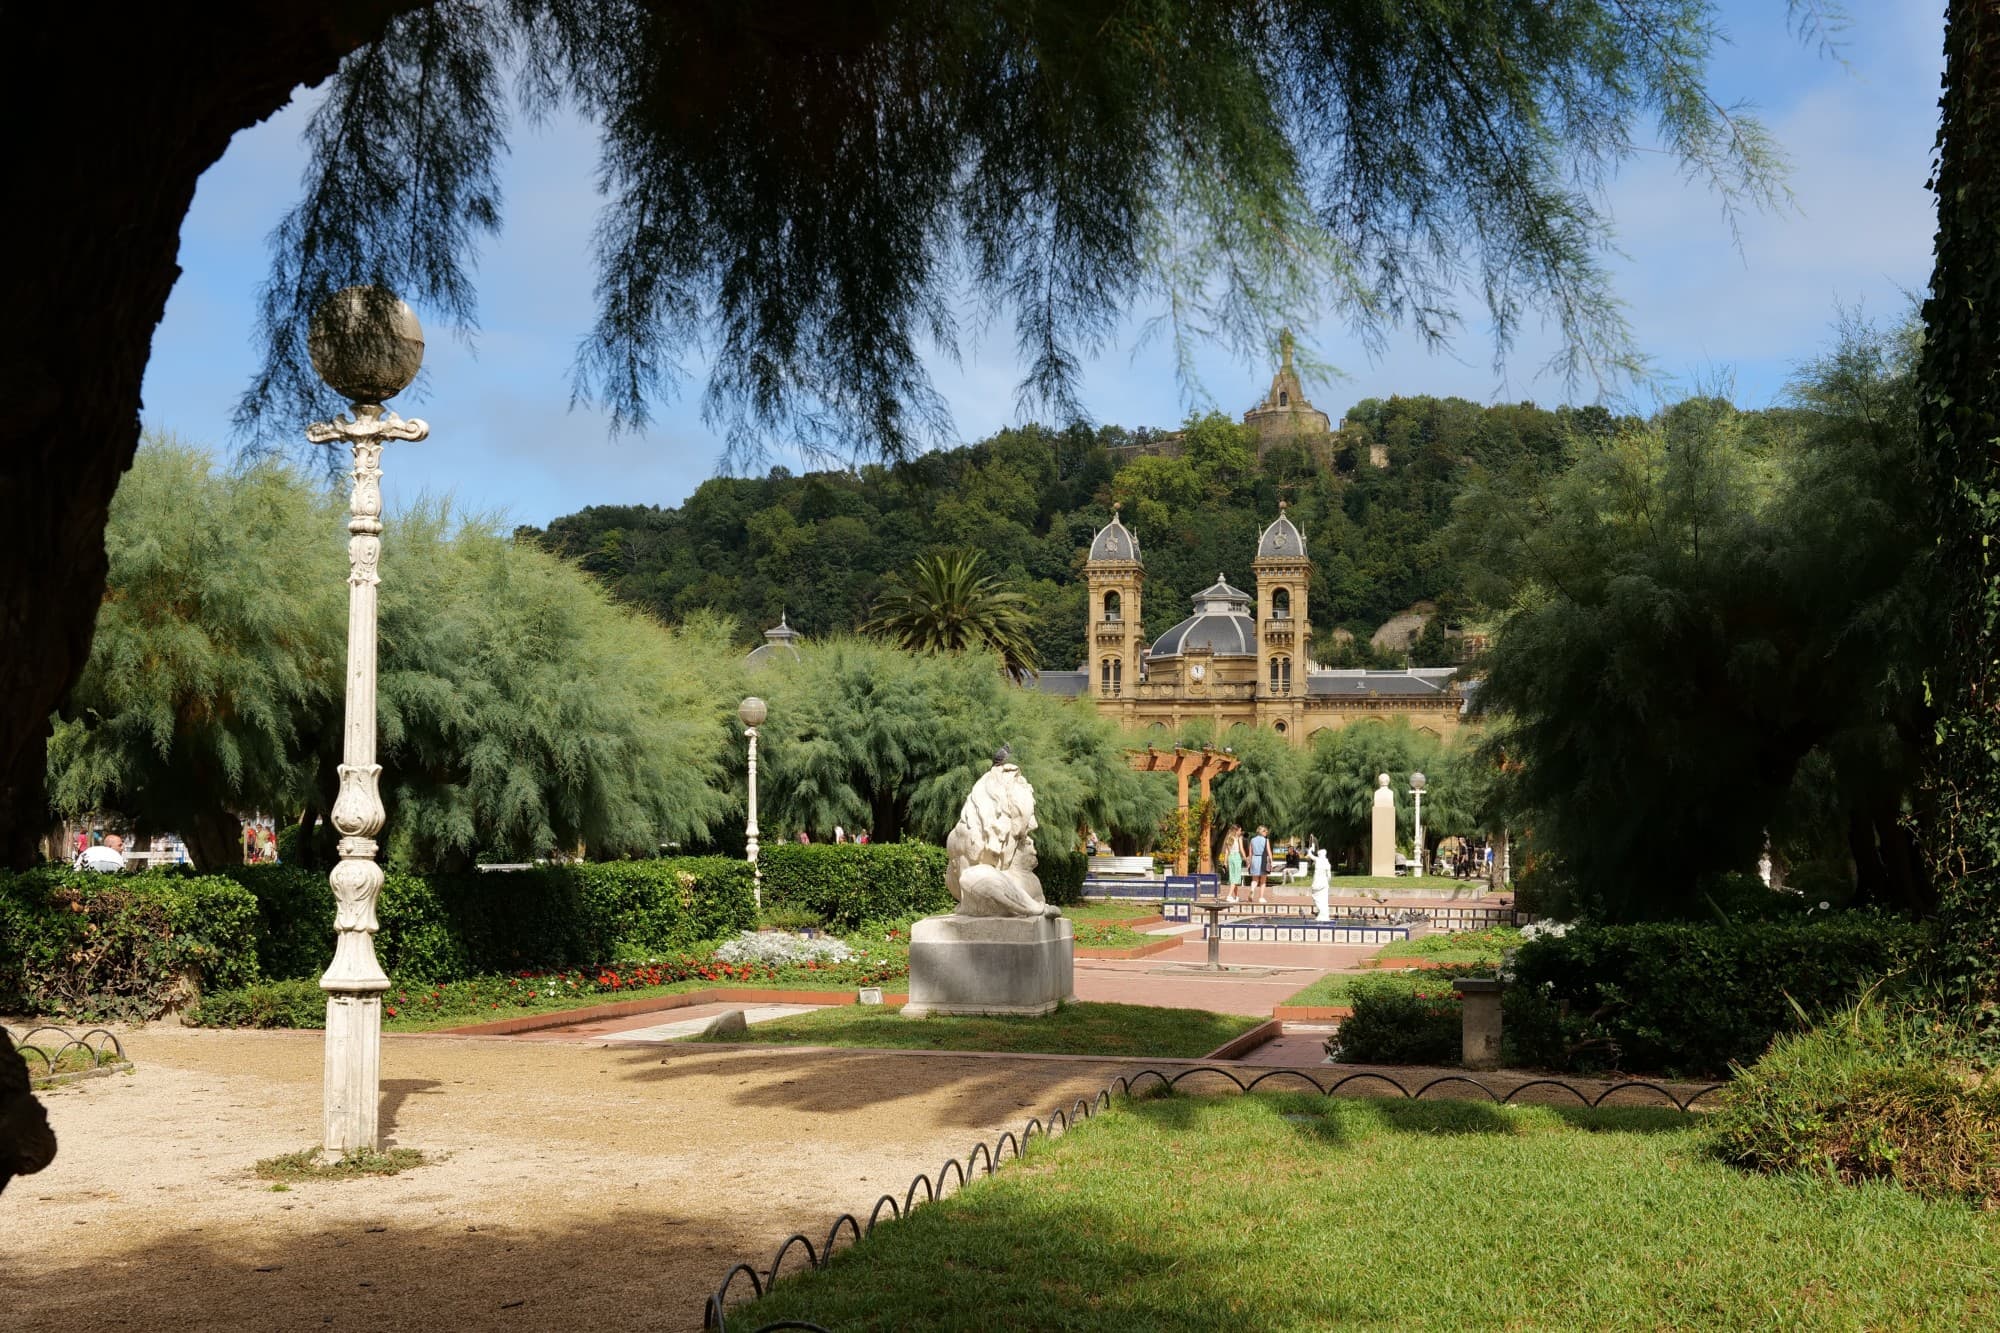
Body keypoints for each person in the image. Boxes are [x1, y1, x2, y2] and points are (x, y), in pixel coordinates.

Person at [1310, 844, 1332, 922]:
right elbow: (1329, 876)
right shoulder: (1327, 863)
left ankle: (1323, 914)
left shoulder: (1318, 860)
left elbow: (1310, 855)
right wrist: (1328, 883)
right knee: (1323, 899)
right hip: (1323, 883)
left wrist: (1311, 849)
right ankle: (1323, 913)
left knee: (1317, 897)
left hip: (1318, 882)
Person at [1249, 825, 1271, 904]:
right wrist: (1271, 861)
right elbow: (1268, 851)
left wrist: (1249, 863)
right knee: (1263, 880)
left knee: (1254, 879)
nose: (1266, 832)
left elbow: (1250, 853)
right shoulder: (1266, 840)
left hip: (1254, 859)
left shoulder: (1252, 840)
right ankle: (1261, 897)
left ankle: (1252, 889)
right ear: (1261, 832)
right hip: (1263, 859)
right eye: (1265, 831)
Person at [1223, 827, 1245, 902]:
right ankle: (1229, 896)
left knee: (1233, 877)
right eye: (1240, 830)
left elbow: (1226, 852)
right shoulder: (1239, 838)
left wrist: (1225, 863)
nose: (1240, 832)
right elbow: (1241, 849)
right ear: (1236, 831)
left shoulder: (1229, 838)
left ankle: (1237, 896)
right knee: (1236, 878)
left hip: (1230, 858)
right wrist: (1245, 858)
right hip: (1236, 857)